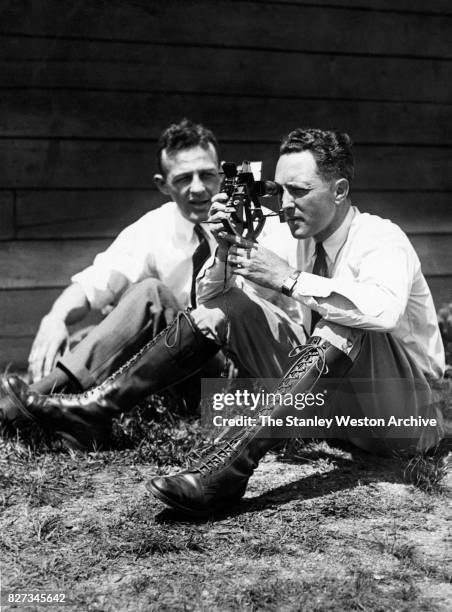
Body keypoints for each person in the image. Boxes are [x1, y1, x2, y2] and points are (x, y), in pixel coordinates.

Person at [1, 128, 445, 516]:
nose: (285, 204)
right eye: (280, 191)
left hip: (404, 418)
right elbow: (210, 303)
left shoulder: (382, 238)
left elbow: (382, 312)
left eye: (300, 191)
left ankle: (229, 469)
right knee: (231, 303)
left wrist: (288, 279)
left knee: (348, 320)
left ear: (341, 190)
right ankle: (97, 409)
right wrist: (226, 247)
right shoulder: (294, 234)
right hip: (334, 412)